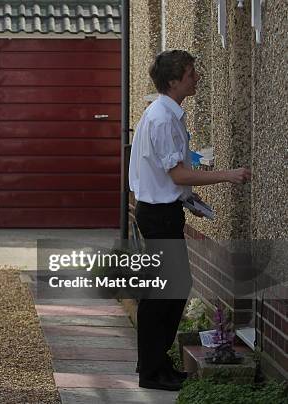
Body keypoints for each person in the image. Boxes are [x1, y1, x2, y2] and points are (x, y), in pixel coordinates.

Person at [128, 49, 250, 391]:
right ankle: (152, 371)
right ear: (173, 81)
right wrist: (228, 175)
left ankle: (154, 364)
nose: (196, 78)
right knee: (167, 293)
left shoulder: (163, 113)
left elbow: (172, 177)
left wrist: (190, 201)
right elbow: (178, 174)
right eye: (190, 73)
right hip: (159, 216)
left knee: (167, 293)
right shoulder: (163, 118)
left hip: (159, 213)